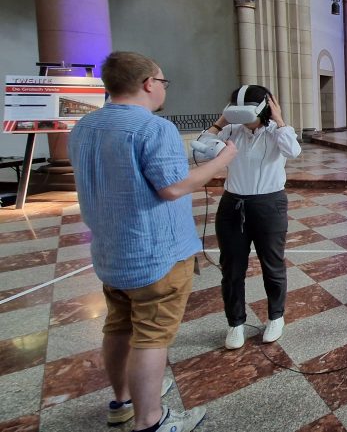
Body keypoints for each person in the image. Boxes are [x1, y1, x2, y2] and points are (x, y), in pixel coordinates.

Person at [68, 51, 237, 432]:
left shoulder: (85, 125)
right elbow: (173, 187)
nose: (163, 88)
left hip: (111, 251)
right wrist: (222, 160)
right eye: (162, 81)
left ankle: (123, 401)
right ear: (148, 84)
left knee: (118, 326)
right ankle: (151, 421)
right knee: (151, 336)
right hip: (156, 253)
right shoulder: (153, 128)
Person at [197, 85, 301, 349]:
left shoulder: (277, 132)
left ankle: (276, 317)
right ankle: (235, 323)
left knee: (272, 265)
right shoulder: (231, 130)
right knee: (232, 268)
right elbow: (199, 149)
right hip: (233, 205)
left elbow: (293, 151)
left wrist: (279, 120)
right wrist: (221, 122)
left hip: (270, 205)